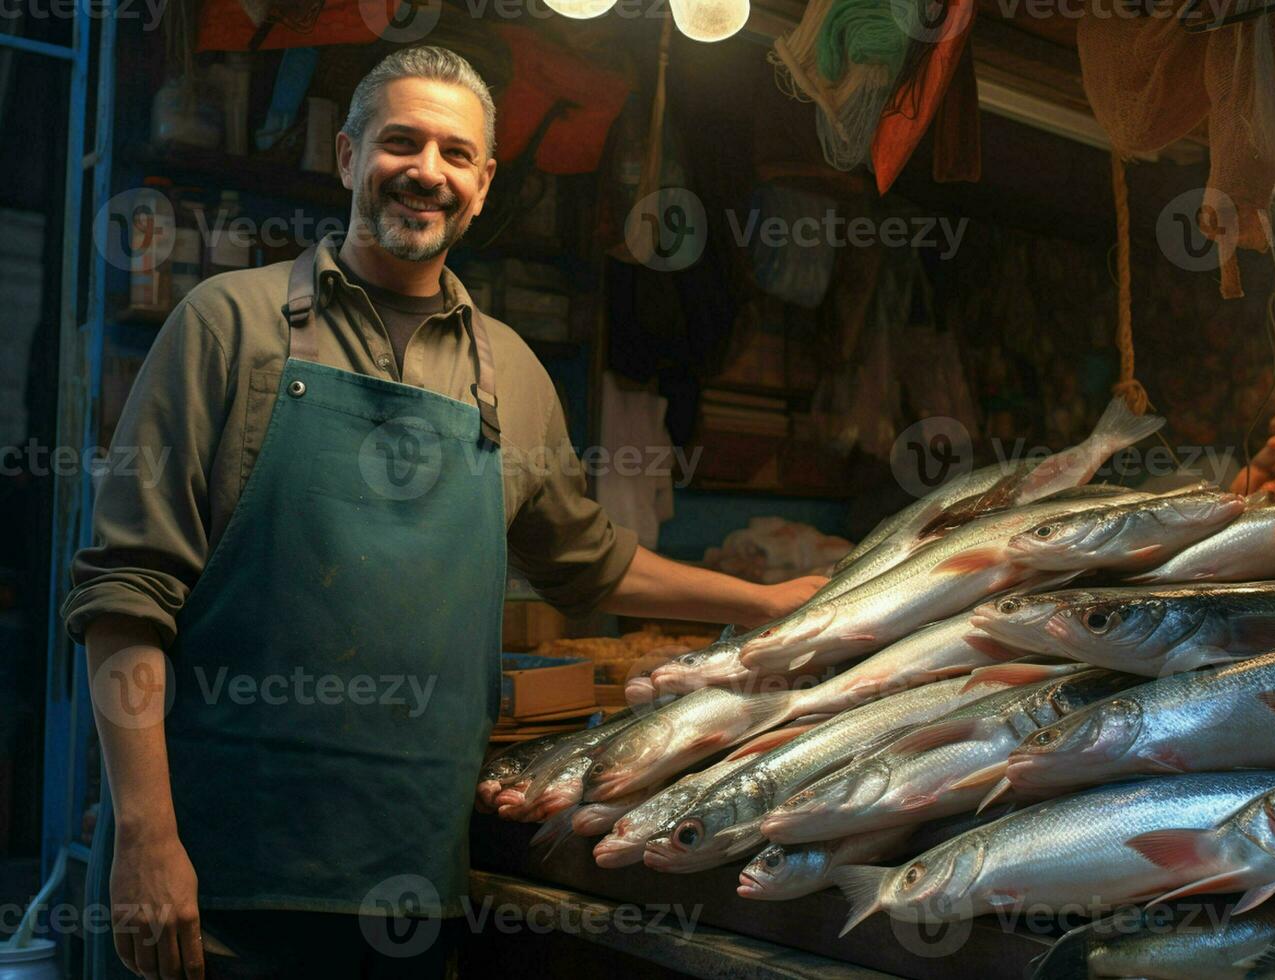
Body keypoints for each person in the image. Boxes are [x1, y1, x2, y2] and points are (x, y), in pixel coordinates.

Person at [62, 46, 824, 980]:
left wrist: (771, 603)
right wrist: (145, 838)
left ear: (485, 181)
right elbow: (124, 597)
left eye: (456, 154)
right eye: (401, 142)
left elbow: (594, 565)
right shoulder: (229, 325)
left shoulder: (512, 376)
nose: (429, 171)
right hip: (217, 883)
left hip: (410, 887)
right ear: (347, 156)